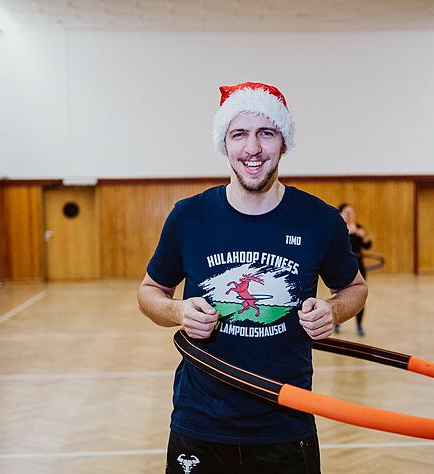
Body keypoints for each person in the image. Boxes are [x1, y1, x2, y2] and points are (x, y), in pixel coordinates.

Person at [137, 82, 368, 473]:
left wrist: (333, 310)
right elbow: (149, 292)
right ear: (224, 144)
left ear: (284, 142)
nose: (253, 148)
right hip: (201, 420)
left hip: (285, 421)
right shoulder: (189, 217)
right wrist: (177, 310)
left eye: (266, 133)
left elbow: (355, 288)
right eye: (238, 133)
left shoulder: (320, 219)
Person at [334, 203, 372, 336]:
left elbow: (367, 245)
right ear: (341, 214)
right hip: (341, 264)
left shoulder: (359, 227)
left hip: (358, 264)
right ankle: (337, 323)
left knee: (360, 294)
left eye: (352, 212)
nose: (350, 215)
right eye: (347, 212)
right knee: (340, 294)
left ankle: (359, 325)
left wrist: (363, 236)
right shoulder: (338, 227)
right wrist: (349, 231)